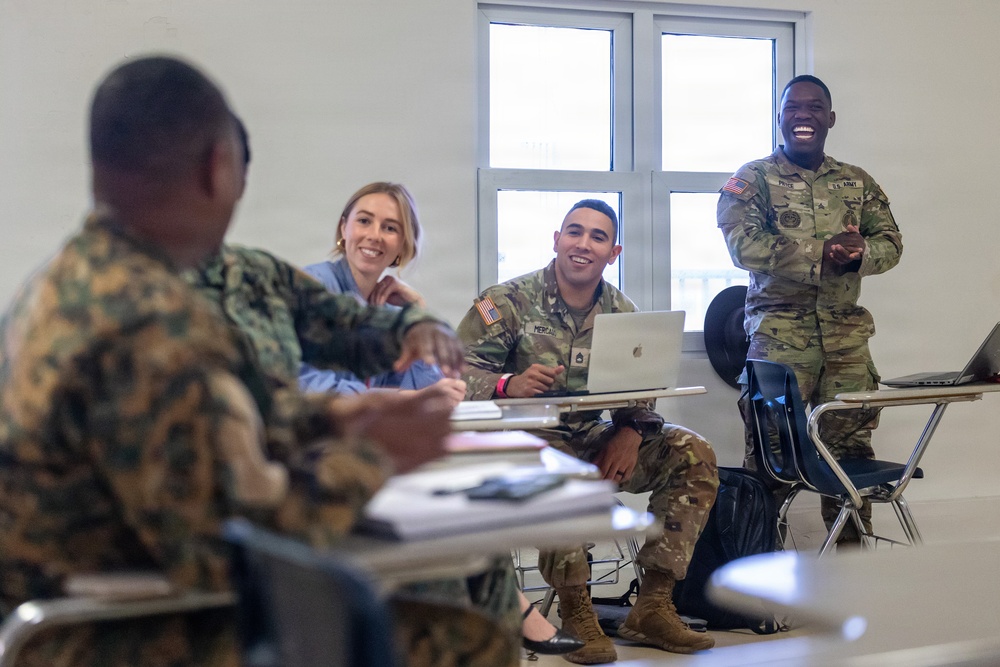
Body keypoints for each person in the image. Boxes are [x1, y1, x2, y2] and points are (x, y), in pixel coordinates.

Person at [0, 55, 507, 667]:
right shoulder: (155, 325)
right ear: (219, 170)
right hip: (99, 634)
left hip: (84, 595)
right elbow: (236, 548)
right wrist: (374, 455)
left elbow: (205, 437)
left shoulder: (68, 282)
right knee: (463, 638)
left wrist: (332, 421)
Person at [457, 199, 720, 664]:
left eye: (598, 237)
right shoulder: (505, 302)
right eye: (574, 232)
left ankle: (653, 606)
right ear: (556, 240)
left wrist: (632, 431)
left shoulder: (623, 311)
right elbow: (456, 375)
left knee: (692, 452)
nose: (583, 244)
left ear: (613, 252)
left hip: (595, 437)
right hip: (526, 443)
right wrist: (508, 384)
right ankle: (576, 610)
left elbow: (644, 388)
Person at [717, 74, 903, 543]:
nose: (804, 116)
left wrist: (860, 255)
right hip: (779, 345)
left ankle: (854, 577)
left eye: (815, 108)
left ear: (830, 119)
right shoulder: (752, 179)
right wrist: (822, 252)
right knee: (771, 460)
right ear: (780, 118)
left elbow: (892, 242)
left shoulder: (856, 182)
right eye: (793, 108)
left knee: (849, 462)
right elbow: (744, 247)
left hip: (847, 347)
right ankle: (758, 581)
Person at [298, 181, 464, 405]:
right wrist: (396, 398)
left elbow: (425, 393)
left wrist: (416, 315)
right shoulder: (315, 287)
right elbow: (306, 384)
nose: (375, 235)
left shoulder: (390, 309)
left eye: (390, 228)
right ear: (343, 228)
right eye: (364, 221)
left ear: (403, 245)